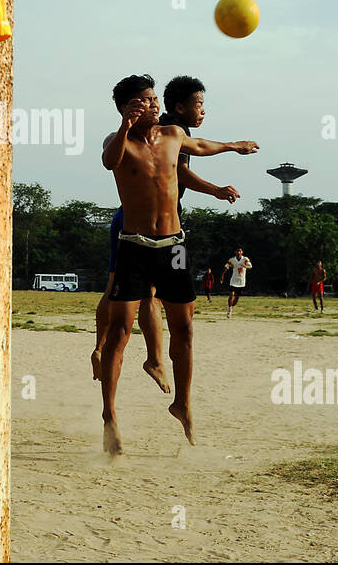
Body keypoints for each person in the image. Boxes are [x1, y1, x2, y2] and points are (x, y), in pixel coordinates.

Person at [99, 74, 258, 454]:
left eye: (154, 100)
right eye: (144, 102)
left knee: (184, 328)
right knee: (120, 333)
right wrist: (125, 123)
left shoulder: (172, 134)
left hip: (173, 246)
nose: (153, 106)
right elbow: (110, 162)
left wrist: (234, 146)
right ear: (127, 108)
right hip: (134, 246)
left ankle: (182, 404)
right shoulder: (116, 141)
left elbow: (200, 145)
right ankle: (109, 415)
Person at [220, 247, 252, 318]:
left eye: (240, 251)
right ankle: (229, 309)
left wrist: (245, 266)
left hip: (241, 281)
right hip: (233, 280)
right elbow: (226, 267)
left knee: (237, 297)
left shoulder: (245, 259)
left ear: (242, 252)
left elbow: (250, 266)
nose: (238, 252)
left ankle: (231, 307)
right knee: (231, 295)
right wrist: (222, 276)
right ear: (235, 252)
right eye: (237, 251)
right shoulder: (232, 260)